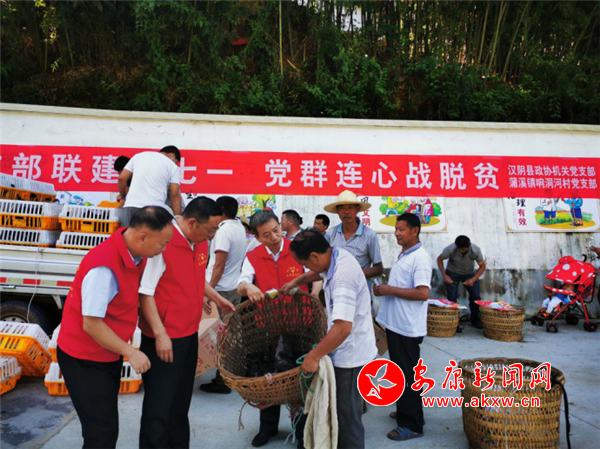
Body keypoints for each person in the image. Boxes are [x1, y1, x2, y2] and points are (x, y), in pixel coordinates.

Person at [56, 206, 174, 449]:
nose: (163, 249)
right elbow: (91, 324)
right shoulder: (104, 267)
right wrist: (131, 352)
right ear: (142, 237)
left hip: (106, 352)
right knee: (101, 432)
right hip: (84, 358)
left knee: (104, 425)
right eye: (162, 244)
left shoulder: (134, 255)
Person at [138, 197, 235, 448]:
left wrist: (216, 298)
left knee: (180, 402)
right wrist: (160, 334)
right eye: (211, 230)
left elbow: (197, 277)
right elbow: (146, 292)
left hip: (189, 333)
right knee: (159, 405)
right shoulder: (163, 243)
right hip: (164, 338)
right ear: (192, 223)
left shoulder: (199, 243)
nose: (213, 236)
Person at [282, 230, 378, 449]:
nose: (307, 268)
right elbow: (318, 273)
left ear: (315, 256)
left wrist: (313, 356)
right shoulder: (336, 255)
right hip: (347, 350)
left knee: (347, 418)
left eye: (305, 264)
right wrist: (298, 280)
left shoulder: (342, 277)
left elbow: (343, 328)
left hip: (351, 357)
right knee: (341, 412)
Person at [236, 210, 311, 448]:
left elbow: (315, 275)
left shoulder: (297, 249)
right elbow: (241, 285)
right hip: (266, 328)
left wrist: (315, 294)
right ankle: (267, 428)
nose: (274, 237)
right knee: (268, 380)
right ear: (257, 237)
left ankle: (301, 431)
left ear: (281, 225)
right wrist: (248, 287)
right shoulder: (253, 256)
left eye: (276, 230)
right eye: (266, 235)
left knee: (299, 381)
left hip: (299, 326)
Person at [374, 213, 432, 442]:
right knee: (402, 373)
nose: (396, 233)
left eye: (401, 229)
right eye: (396, 229)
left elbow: (422, 293)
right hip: (397, 324)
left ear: (414, 230)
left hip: (407, 327)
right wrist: (386, 290)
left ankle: (412, 424)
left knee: (407, 375)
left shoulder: (420, 258)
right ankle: (407, 410)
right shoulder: (405, 254)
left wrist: (390, 290)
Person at [200, 196, 247, 394]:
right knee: (230, 334)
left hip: (220, 289)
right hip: (232, 287)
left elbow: (219, 265)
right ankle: (226, 377)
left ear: (220, 210)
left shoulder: (224, 230)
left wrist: (207, 292)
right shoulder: (239, 228)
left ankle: (222, 380)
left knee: (220, 336)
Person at [323, 191, 383, 284]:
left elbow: (378, 269)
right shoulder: (330, 234)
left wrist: (353, 274)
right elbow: (323, 262)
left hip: (360, 290)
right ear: (337, 211)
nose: (346, 212)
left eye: (350, 207)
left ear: (357, 209)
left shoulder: (369, 235)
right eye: (342, 208)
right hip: (335, 289)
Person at [118, 146, 182, 227]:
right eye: (176, 162)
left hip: (131, 206)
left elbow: (122, 178)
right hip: (154, 210)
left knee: (128, 234)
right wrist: (178, 219)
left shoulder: (138, 156)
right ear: (172, 156)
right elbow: (174, 195)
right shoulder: (172, 166)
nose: (175, 164)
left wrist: (123, 196)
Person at [437, 235, 486, 330]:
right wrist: (445, 275)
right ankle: (454, 322)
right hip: (452, 273)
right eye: (459, 249)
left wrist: (473, 279)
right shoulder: (450, 249)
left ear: (468, 246)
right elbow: (439, 259)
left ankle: (475, 319)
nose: (460, 251)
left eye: (463, 249)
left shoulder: (475, 250)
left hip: (469, 274)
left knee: (476, 296)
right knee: (452, 299)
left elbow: (482, 266)